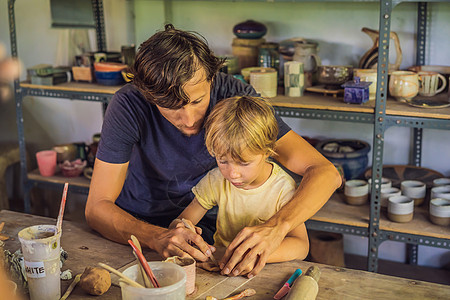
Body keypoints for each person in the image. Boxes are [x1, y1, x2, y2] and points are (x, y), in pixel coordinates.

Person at [85, 24, 341, 278]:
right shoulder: (128, 104)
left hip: (208, 229)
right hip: (137, 223)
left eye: (198, 101)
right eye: (172, 107)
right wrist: (158, 236)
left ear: (211, 78)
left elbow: (325, 172)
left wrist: (277, 227)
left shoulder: (237, 99)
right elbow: (97, 208)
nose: (189, 119)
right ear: (148, 95)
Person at [169, 96, 309, 276]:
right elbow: (182, 221)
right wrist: (183, 230)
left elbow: (301, 246)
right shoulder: (217, 180)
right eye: (223, 161)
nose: (232, 173)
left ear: (267, 151)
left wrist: (254, 255)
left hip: (265, 271)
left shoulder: (283, 188)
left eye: (244, 163)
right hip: (220, 269)